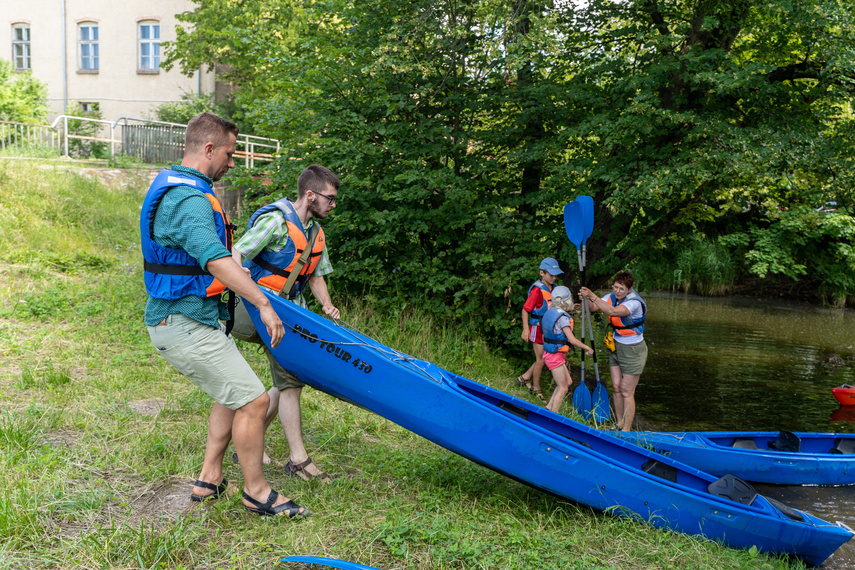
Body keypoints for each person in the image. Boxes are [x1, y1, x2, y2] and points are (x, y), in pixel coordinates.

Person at [141, 112, 308, 517]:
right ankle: (256, 490)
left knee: (230, 394)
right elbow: (214, 260)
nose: (232, 163)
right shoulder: (187, 199)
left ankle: (209, 478)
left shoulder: (187, 190)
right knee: (253, 401)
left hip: (197, 320)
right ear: (209, 148)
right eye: (230, 154)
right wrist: (264, 304)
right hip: (181, 323)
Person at [230, 165, 341, 483]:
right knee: (291, 381)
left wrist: (327, 305)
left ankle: (247, 443)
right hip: (259, 311)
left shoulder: (316, 234)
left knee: (290, 378)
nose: (332, 205)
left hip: (292, 313)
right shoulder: (275, 221)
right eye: (329, 199)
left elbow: (316, 274)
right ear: (311, 195)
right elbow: (237, 251)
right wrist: (245, 283)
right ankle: (299, 460)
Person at [580, 271, 647, 431]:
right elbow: (594, 307)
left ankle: (627, 431)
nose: (617, 291)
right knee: (616, 387)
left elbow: (613, 312)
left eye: (621, 289)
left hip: (633, 350)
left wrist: (592, 295)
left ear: (629, 289)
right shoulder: (612, 297)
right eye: (615, 287)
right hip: (616, 346)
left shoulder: (634, 303)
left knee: (626, 390)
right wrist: (586, 299)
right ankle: (619, 424)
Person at [515, 257, 563, 405]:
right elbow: (525, 310)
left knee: (543, 357)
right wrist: (525, 330)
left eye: (556, 275)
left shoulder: (554, 288)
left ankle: (524, 378)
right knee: (541, 360)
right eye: (551, 275)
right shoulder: (537, 290)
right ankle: (536, 389)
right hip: (537, 327)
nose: (554, 277)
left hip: (548, 327)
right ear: (542, 273)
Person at [541, 286, 593, 414]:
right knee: (563, 388)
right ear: (567, 301)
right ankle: (553, 416)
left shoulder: (550, 309)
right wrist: (588, 348)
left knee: (568, 382)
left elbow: (560, 311)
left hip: (551, 353)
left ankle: (549, 407)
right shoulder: (564, 319)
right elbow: (572, 340)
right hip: (554, 356)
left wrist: (570, 308)